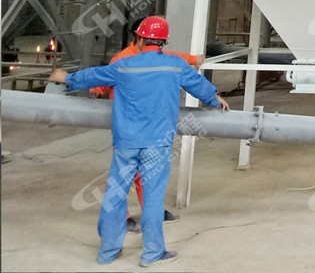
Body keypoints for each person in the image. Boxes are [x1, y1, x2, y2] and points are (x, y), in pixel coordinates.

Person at [50, 16, 229, 267]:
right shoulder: (174, 65)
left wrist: (67, 77)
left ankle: (108, 252)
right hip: (158, 141)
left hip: (126, 141)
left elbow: (94, 75)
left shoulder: (124, 65)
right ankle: (152, 254)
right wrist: (215, 98)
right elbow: (197, 85)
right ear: (163, 42)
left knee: (115, 194)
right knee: (153, 197)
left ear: (140, 39)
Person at [88, 18, 205, 233]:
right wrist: (97, 89)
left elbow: (175, 57)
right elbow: (105, 77)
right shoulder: (123, 58)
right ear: (139, 37)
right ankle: (121, 219)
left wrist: (194, 59)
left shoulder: (154, 55)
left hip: (149, 126)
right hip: (128, 127)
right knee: (125, 175)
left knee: (146, 175)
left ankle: (153, 212)